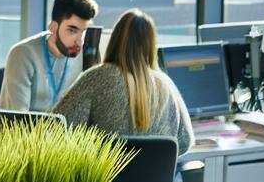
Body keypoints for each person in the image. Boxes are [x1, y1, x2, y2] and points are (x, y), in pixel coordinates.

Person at [53, 9, 193, 153]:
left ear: (116, 39)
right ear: (151, 45)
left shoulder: (97, 77)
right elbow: (185, 141)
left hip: (106, 175)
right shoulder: (165, 84)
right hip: (155, 175)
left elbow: (55, 127)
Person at [0, 0, 99, 112]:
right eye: (72, 30)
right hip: (24, 130)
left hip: (61, 130)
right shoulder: (22, 54)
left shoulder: (82, 56)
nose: (79, 41)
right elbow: (16, 119)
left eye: (83, 32)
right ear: (53, 27)